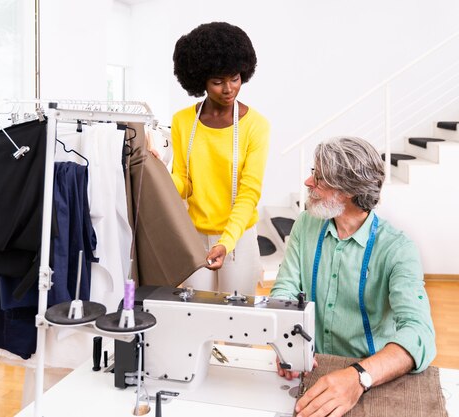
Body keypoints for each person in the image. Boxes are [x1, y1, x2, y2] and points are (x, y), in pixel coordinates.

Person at [270, 136, 436, 417]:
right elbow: (285, 287)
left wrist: (360, 377)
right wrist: (286, 340)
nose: (308, 183)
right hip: (313, 366)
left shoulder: (398, 249)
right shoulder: (305, 224)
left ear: (347, 191)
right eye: (313, 174)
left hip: (372, 374)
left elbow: (420, 334)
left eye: (319, 179)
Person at [170, 22, 270, 295]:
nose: (228, 89)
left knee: (239, 325)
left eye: (235, 78)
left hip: (238, 238)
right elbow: (184, 182)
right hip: (194, 237)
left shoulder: (256, 126)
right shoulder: (182, 121)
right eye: (217, 82)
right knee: (197, 317)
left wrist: (226, 242)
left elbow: (249, 194)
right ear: (200, 80)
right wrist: (158, 175)